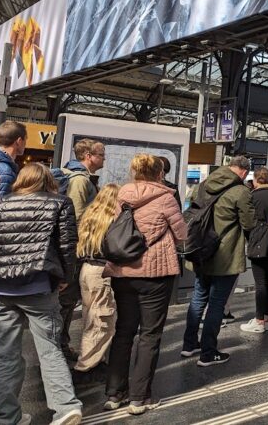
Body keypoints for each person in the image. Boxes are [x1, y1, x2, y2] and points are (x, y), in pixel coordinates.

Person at [0, 163, 83, 425]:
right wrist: (65, 277)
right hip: (38, 284)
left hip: (0, 286)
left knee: (5, 355)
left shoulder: (1, 203)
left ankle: (5, 416)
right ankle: (66, 408)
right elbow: (67, 243)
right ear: (48, 181)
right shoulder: (60, 203)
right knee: (49, 349)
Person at [104, 154, 186, 415]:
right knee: (149, 334)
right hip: (155, 274)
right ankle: (140, 398)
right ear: (160, 173)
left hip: (123, 270)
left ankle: (115, 393)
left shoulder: (123, 195)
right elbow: (182, 234)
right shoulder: (166, 197)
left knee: (124, 332)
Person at [182, 156, 255, 365]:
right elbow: (249, 223)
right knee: (216, 303)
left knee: (198, 298)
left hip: (200, 250)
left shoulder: (204, 185)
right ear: (243, 171)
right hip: (225, 254)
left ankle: (189, 344)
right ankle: (208, 352)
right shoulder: (241, 191)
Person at [59, 138, 105, 362]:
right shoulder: (79, 180)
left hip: (76, 248)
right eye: (101, 154)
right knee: (66, 301)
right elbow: (75, 217)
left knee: (68, 301)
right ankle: (59, 345)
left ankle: (60, 343)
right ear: (88, 156)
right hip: (76, 249)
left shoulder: (83, 178)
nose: (103, 158)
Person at [72, 184, 120, 385]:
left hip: (86, 270)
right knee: (102, 321)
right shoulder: (112, 220)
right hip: (103, 272)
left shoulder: (90, 215)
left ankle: (94, 360)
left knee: (89, 317)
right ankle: (86, 367)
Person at [241, 167, 268, 334]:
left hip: (258, 241)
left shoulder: (252, 197)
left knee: (260, 283)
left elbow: (247, 222)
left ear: (256, 180)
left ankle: (259, 321)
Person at [0, 120, 26, 198]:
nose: (25, 144)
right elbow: (0, 206)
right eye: (25, 140)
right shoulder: (6, 171)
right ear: (19, 141)